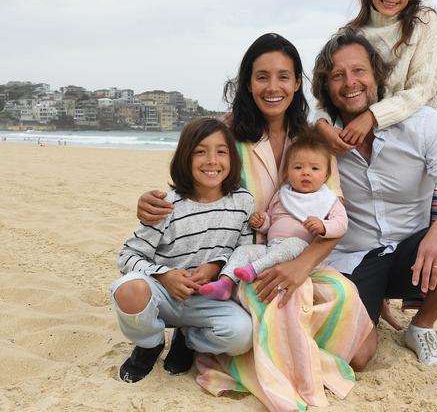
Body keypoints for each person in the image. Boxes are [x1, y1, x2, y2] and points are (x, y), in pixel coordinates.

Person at [136, 33, 374, 411]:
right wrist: (151, 201)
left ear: (298, 83)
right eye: (262, 76)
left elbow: (334, 216)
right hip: (239, 261)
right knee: (273, 318)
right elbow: (190, 185)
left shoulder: (313, 140)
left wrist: (300, 266)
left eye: (284, 76)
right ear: (248, 82)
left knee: (361, 351)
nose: (273, 87)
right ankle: (200, 330)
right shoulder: (226, 133)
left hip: (304, 259)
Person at [311, 31, 437, 367]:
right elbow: (278, 125)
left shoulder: (423, 124)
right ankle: (370, 308)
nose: (350, 82)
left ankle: (422, 326)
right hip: (353, 260)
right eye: (338, 75)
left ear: (377, 76)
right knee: (356, 357)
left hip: (413, 255)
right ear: (326, 87)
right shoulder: (318, 137)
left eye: (359, 71)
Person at [317, 0, 437, 319]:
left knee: (426, 204)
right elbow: (328, 86)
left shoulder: (423, 21)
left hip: (406, 119)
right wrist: (324, 124)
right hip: (361, 127)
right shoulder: (351, 33)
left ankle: (417, 301)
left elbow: (421, 88)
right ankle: (378, 294)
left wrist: (373, 117)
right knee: (363, 208)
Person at [111, 117, 254, 383]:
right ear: (185, 158)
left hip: (206, 299)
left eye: (221, 151)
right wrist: (164, 275)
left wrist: (217, 267)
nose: (212, 160)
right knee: (128, 288)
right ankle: (150, 343)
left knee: (242, 336)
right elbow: (128, 256)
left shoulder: (243, 202)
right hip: (162, 296)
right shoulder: (166, 206)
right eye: (200, 151)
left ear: (233, 159)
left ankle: (188, 339)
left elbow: (243, 249)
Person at [199, 128, 348, 300]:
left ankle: (253, 269)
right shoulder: (282, 194)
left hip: (301, 253)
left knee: (293, 243)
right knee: (244, 250)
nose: (306, 172)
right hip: (272, 248)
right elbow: (272, 220)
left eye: (314, 168)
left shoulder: (327, 199)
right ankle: (225, 283)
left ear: (326, 175)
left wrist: (323, 226)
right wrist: (262, 222)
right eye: (298, 167)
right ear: (286, 173)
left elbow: (342, 224)